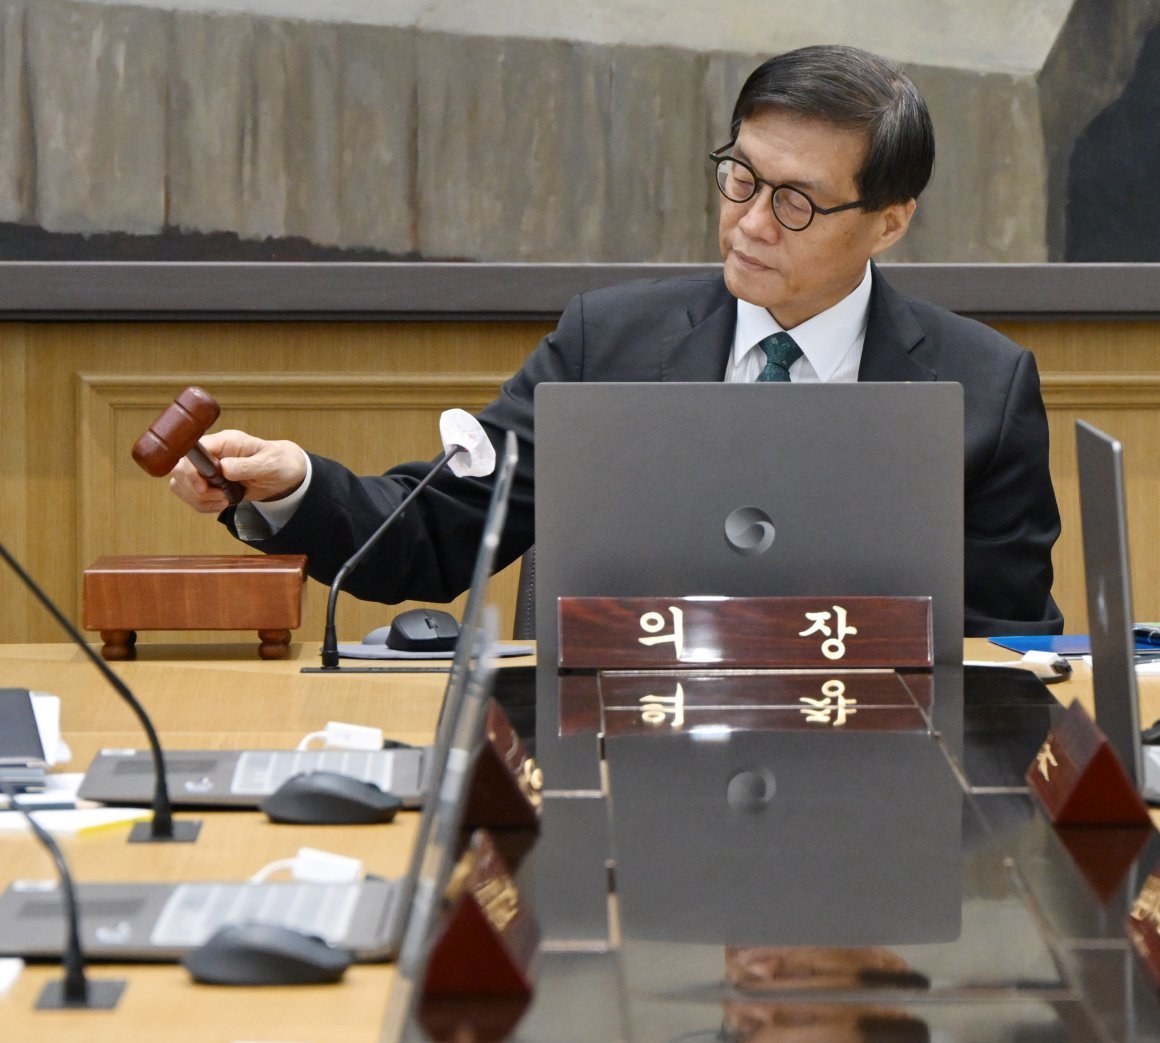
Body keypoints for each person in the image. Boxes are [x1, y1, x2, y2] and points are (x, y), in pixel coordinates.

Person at [169, 44, 1064, 636]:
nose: (751, 223)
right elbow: (440, 530)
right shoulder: (610, 343)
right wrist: (294, 484)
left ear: (889, 222)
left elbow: (1006, 647)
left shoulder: (982, 389)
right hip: (623, 766)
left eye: (795, 202)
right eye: (740, 177)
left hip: (868, 773)